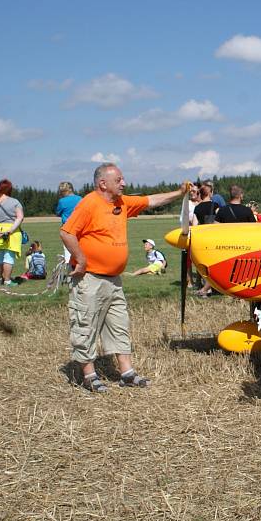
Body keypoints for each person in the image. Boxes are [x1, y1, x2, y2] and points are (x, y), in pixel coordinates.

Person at [60, 163, 186, 392]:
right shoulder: (89, 203)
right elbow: (67, 232)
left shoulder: (122, 202)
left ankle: (127, 373)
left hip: (114, 280)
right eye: (118, 180)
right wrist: (81, 259)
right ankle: (88, 375)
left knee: (119, 325)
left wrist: (179, 193)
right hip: (90, 279)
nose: (124, 183)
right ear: (103, 183)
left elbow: (152, 200)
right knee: (85, 324)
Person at [0, 179, 25, 286]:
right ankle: (7, 281)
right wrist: (10, 230)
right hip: (12, 232)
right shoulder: (14, 202)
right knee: (9, 257)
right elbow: (20, 217)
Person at [55, 181, 82, 264]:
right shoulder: (80, 199)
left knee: (67, 249)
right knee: (79, 247)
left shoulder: (62, 201)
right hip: (80, 227)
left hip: (67, 227)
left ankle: (68, 268)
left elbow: (58, 213)